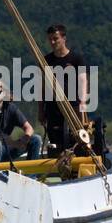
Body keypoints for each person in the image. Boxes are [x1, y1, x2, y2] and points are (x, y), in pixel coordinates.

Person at [43, 24, 90, 153]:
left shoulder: (76, 59)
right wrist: (41, 110)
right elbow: (42, 87)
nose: (52, 42)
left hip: (73, 105)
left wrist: (83, 102)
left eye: (55, 38)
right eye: (50, 39)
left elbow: (83, 81)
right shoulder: (46, 60)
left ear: (64, 38)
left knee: (76, 138)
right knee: (55, 142)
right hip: (53, 107)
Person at [0, 79, 41, 163]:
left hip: (7, 149)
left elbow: (29, 128)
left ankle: (31, 176)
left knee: (36, 139)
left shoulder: (11, 108)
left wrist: (25, 138)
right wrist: (13, 142)